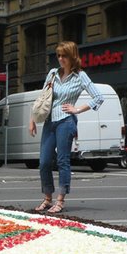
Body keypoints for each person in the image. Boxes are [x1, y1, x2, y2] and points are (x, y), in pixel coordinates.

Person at [30, 41, 104, 214]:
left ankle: (60, 200)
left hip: (66, 122)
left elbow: (98, 97)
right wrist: (32, 118)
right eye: (59, 56)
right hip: (49, 122)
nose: (61, 59)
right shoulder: (52, 73)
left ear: (72, 57)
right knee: (44, 162)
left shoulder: (80, 76)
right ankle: (47, 198)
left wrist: (77, 109)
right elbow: (43, 97)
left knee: (63, 161)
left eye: (64, 56)